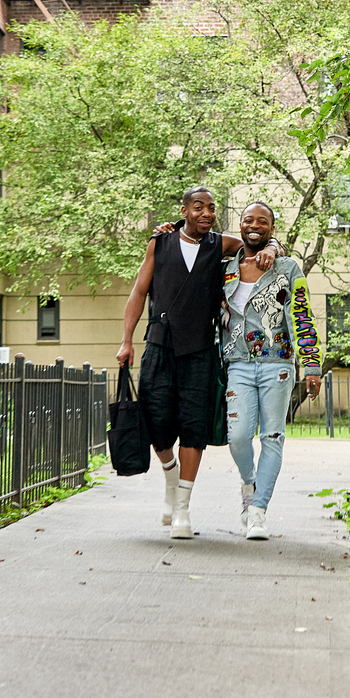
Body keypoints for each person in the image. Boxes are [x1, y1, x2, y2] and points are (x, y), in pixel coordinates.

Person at [116, 188, 276, 540]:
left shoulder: (220, 245)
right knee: (156, 421)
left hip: (200, 349)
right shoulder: (160, 244)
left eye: (212, 208)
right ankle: (171, 481)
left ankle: (183, 510)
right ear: (184, 210)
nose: (207, 213)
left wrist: (272, 247)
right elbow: (138, 292)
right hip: (159, 344)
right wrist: (127, 340)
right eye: (198, 207)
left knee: (193, 427)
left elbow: (257, 240)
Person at [220, 203, 320, 541]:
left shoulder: (288, 268)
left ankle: (258, 511)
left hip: (278, 365)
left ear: (271, 228)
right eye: (249, 220)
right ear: (240, 225)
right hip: (238, 365)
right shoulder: (225, 270)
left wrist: (312, 364)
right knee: (237, 436)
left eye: (262, 222)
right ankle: (249, 485)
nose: (254, 225)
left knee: (272, 438)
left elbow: (302, 315)